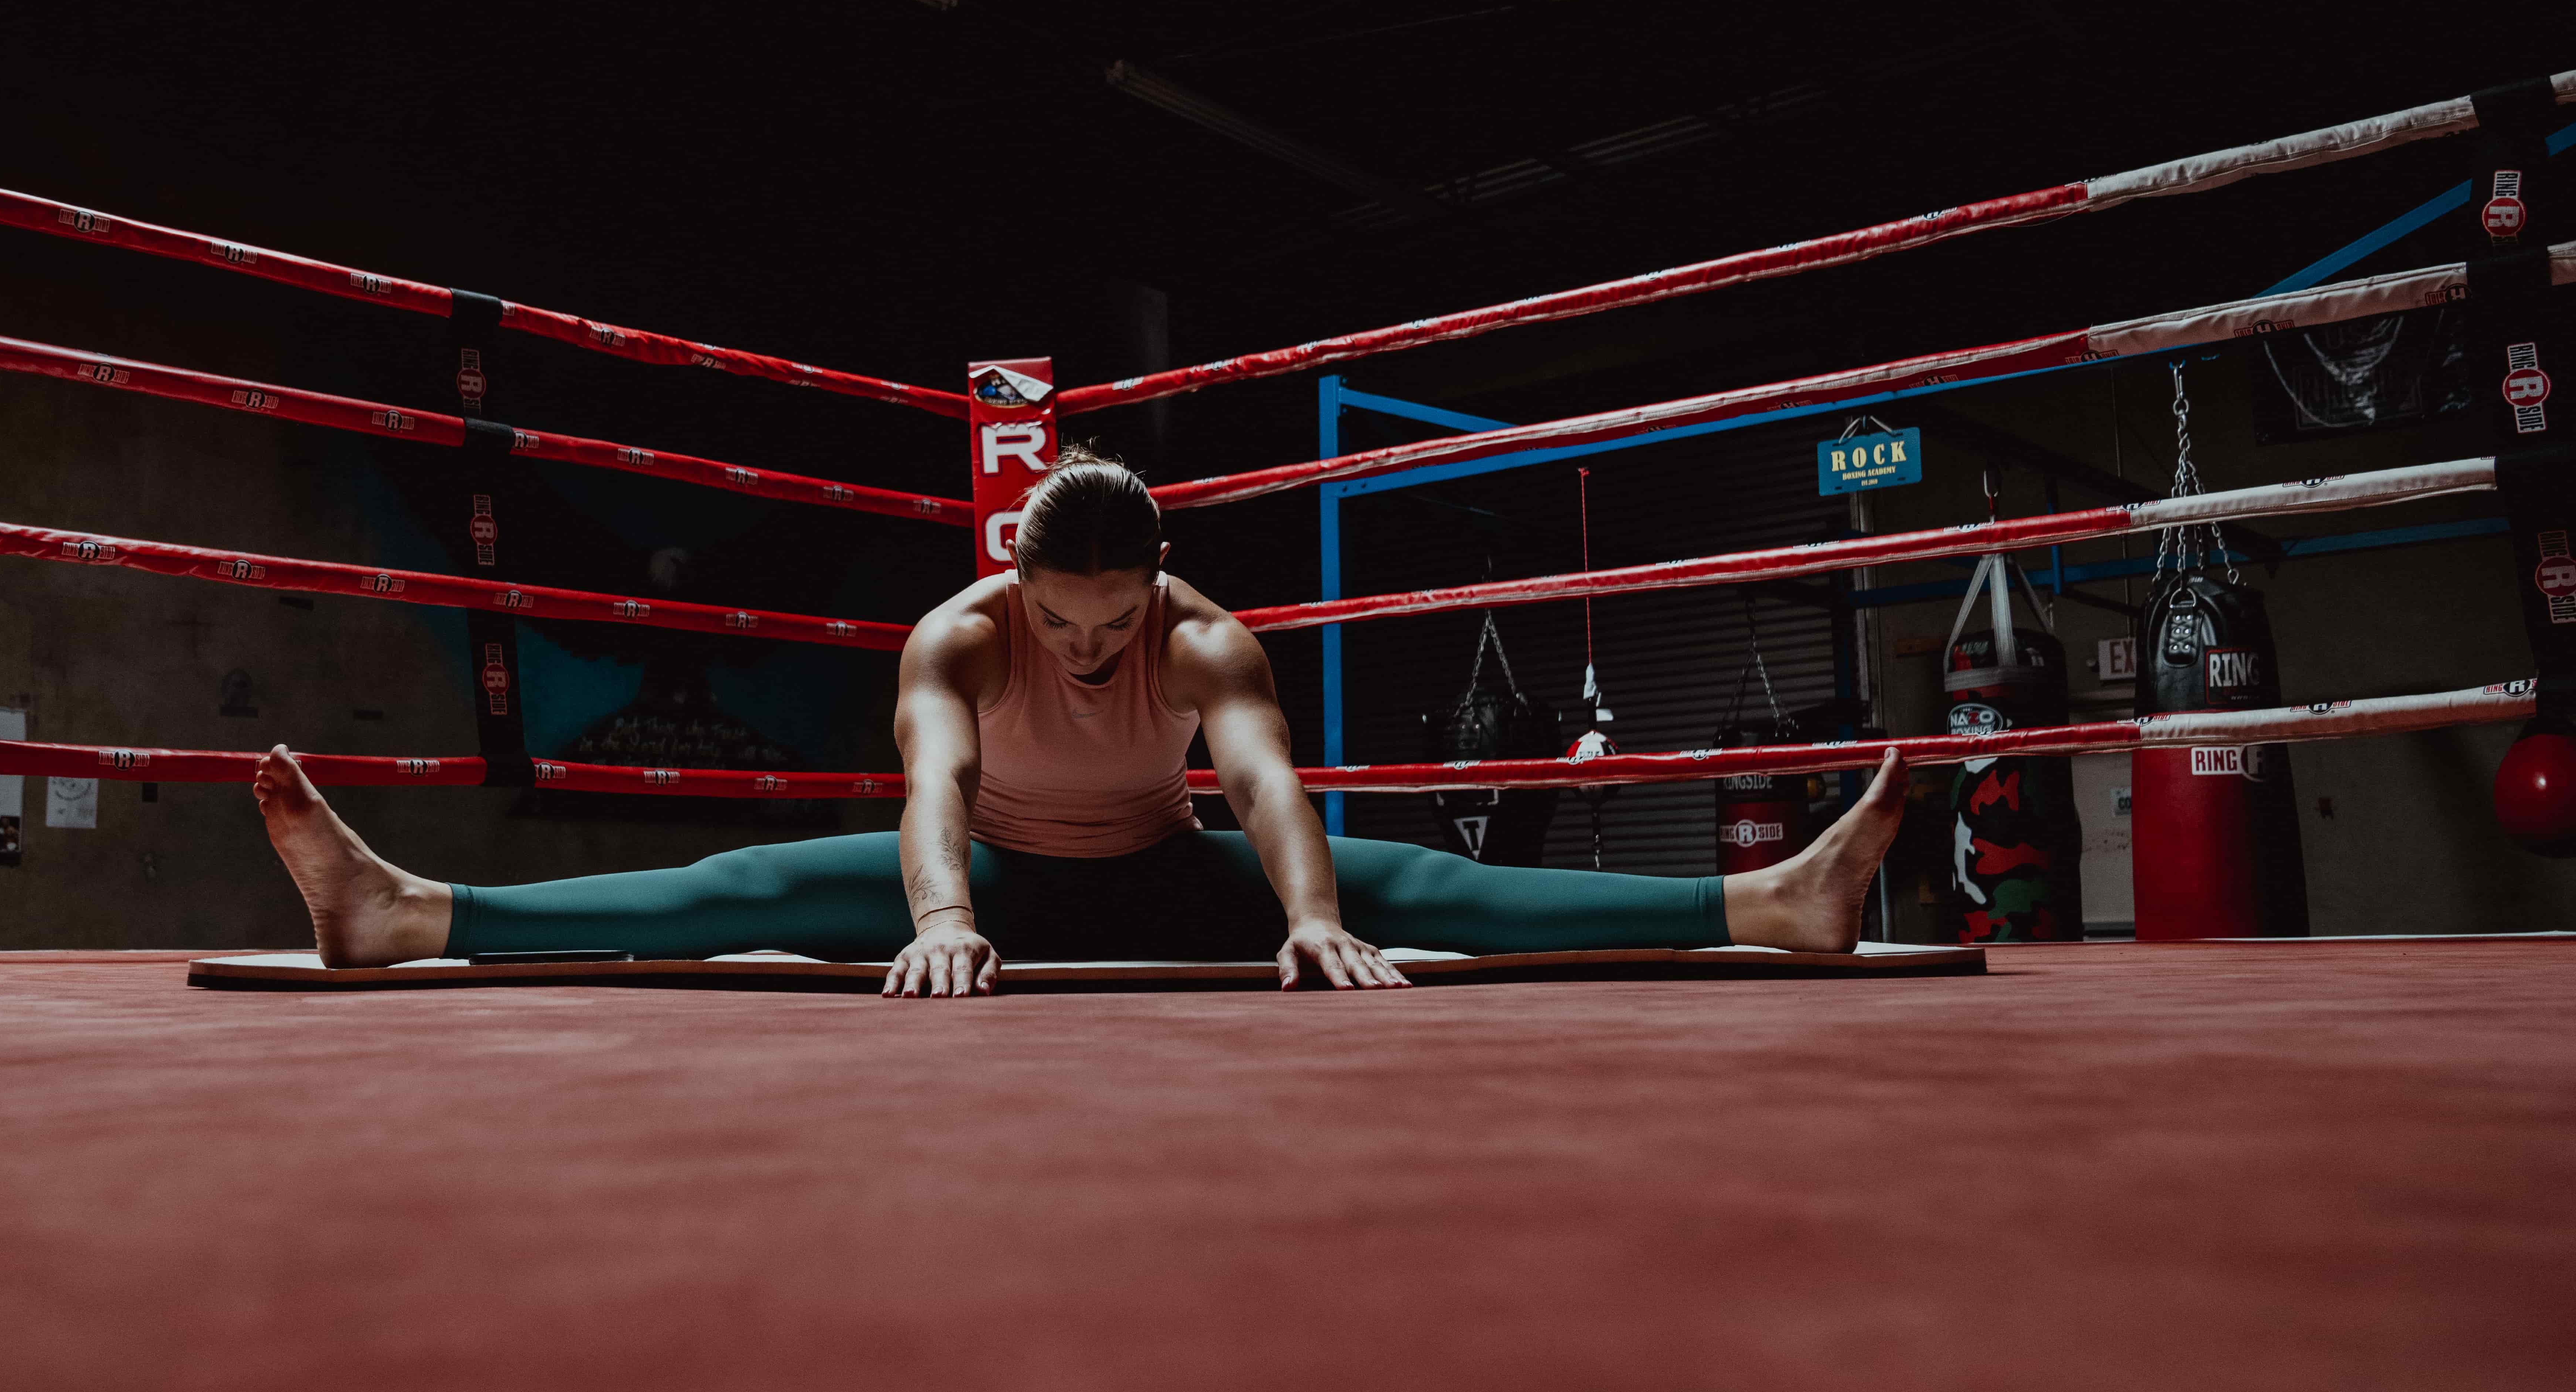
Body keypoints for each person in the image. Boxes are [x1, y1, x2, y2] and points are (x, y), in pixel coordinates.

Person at [253, 447, 1905, 994]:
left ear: (1158, 585)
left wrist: (1314, 914)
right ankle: (405, 912)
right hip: (997, 877)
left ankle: (1771, 901)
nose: (1094, 653)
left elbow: (1264, 788)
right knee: (745, 890)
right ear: (1015, 586)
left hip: (1160, 866)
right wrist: (949, 912)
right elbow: (931, 785)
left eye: (1115, 624)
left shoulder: (1206, 638)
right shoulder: (958, 637)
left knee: (1397, 882)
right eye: (1065, 625)